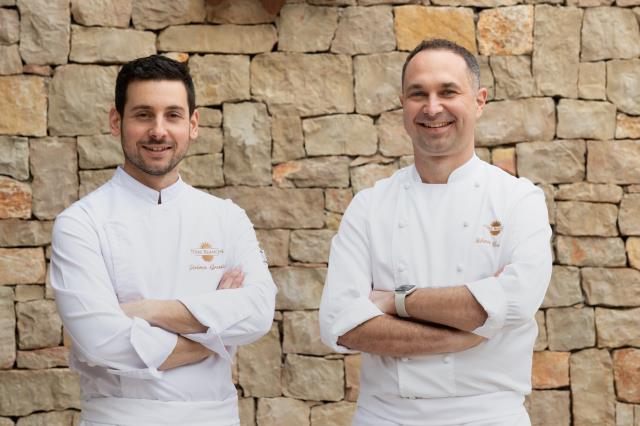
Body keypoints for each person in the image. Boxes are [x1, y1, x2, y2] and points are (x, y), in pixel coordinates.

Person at [319, 39, 552, 426]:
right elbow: (339, 324)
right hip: (386, 417)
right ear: (402, 106)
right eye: (417, 94)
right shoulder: (370, 206)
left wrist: (395, 303)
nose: (431, 108)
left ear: (479, 101)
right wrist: (465, 332)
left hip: (488, 415)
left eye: (448, 92)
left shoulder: (518, 200)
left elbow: (516, 300)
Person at [50, 55, 276, 426]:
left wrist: (146, 311)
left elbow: (257, 314)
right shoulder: (81, 223)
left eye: (172, 115)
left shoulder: (226, 217)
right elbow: (101, 340)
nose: (158, 130)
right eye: (143, 115)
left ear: (193, 124)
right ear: (115, 121)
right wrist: (213, 337)